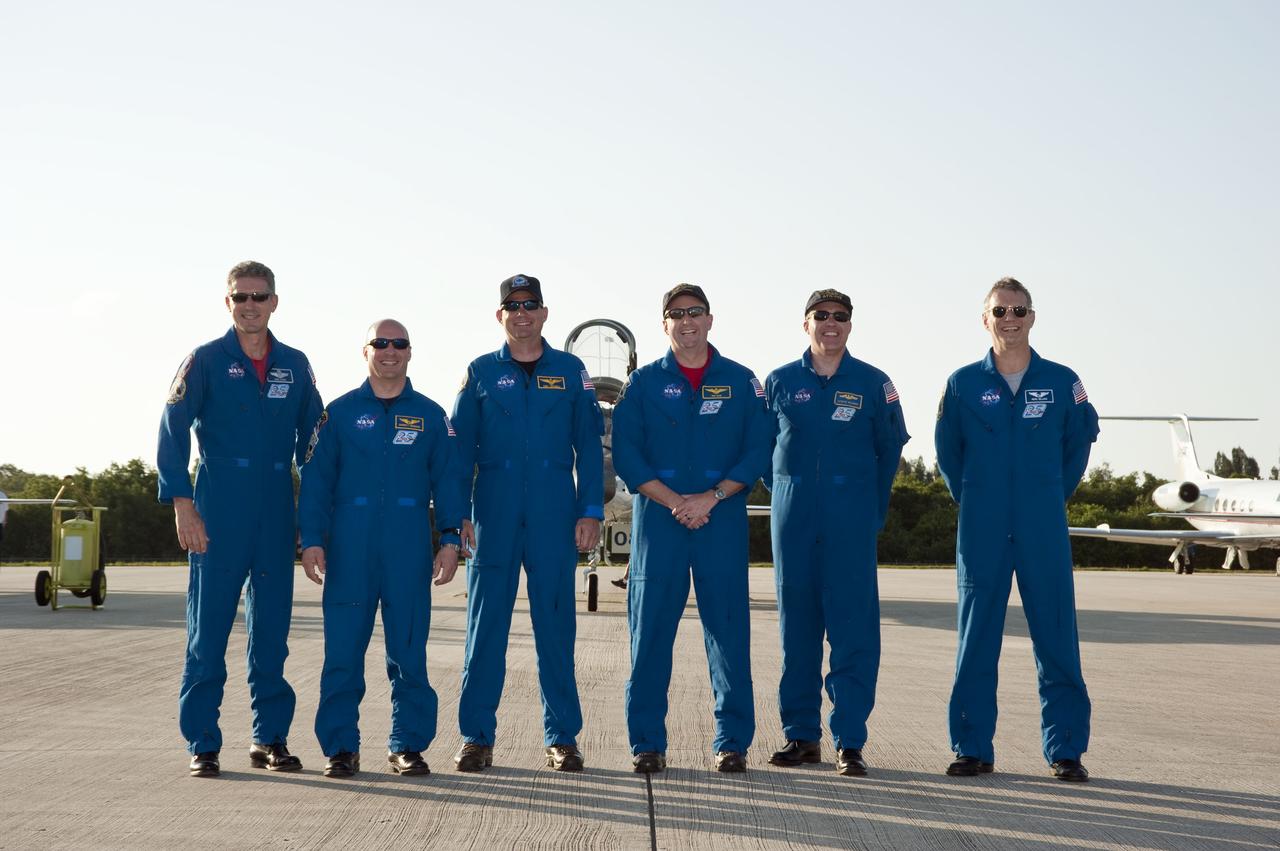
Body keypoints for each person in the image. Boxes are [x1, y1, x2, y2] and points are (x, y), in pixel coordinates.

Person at [157, 261, 323, 778]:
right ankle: (202, 741)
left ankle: (269, 738)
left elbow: (314, 445)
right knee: (207, 633)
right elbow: (171, 427)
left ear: (275, 302)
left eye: (259, 296)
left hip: (275, 504)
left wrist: (310, 517)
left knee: (271, 632)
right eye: (240, 297)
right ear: (226, 303)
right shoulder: (204, 361)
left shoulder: (295, 365)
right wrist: (183, 503)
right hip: (218, 505)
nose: (250, 305)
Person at [934, 277, 1099, 783]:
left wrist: (1048, 494)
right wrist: (979, 498)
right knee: (976, 637)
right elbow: (948, 453)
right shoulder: (963, 384)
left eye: (1019, 310)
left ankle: (1065, 749)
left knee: (1055, 637)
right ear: (985, 319)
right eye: (1000, 310)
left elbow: (1080, 440)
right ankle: (971, 747)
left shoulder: (1062, 380)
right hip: (982, 527)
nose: (1010, 318)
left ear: (1032, 317)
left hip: (1042, 525)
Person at [611, 283, 775, 774]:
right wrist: (676, 501)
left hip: (720, 522)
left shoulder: (743, 382)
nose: (687, 321)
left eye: (695, 313)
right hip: (658, 526)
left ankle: (731, 742)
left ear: (710, 320)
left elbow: (758, 449)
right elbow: (627, 454)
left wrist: (712, 496)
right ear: (664, 324)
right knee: (650, 639)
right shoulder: (640, 385)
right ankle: (646, 742)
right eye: (676, 314)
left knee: (728, 637)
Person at [450, 274, 605, 773]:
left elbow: (589, 448)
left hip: (554, 516)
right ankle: (476, 737)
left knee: (555, 630)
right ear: (500, 315)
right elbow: (459, 454)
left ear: (544, 313)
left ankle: (561, 737)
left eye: (530, 305)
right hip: (492, 517)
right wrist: (456, 520)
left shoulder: (571, 371)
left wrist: (591, 511)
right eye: (512, 306)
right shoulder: (479, 372)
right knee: (485, 630)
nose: (522, 314)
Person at [298, 320, 465, 778]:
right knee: (343, 654)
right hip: (349, 546)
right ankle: (340, 748)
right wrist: (311, 539)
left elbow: (449, 482)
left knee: (409, 652)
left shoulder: (431, 416)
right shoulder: (339, 414)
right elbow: (316, 482)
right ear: (365, 351)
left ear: (410, 352)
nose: (390, 351)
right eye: (380, 343)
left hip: (408, 546)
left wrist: (450, 540)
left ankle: (406, 745)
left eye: (399, 344)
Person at [764, 289, 909, 777]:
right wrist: (789, 490)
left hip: (850, 519)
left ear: (850, 326)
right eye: (821, 316)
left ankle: (850, 740)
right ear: (805, 324)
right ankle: (801, 736)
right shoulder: (779, 381)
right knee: (796, 631)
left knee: (853, 631)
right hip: (794, 518)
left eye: (840, 317)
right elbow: (763, 450)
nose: (831, 324)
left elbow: (890, 450)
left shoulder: (874, 383)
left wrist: (868, 505)